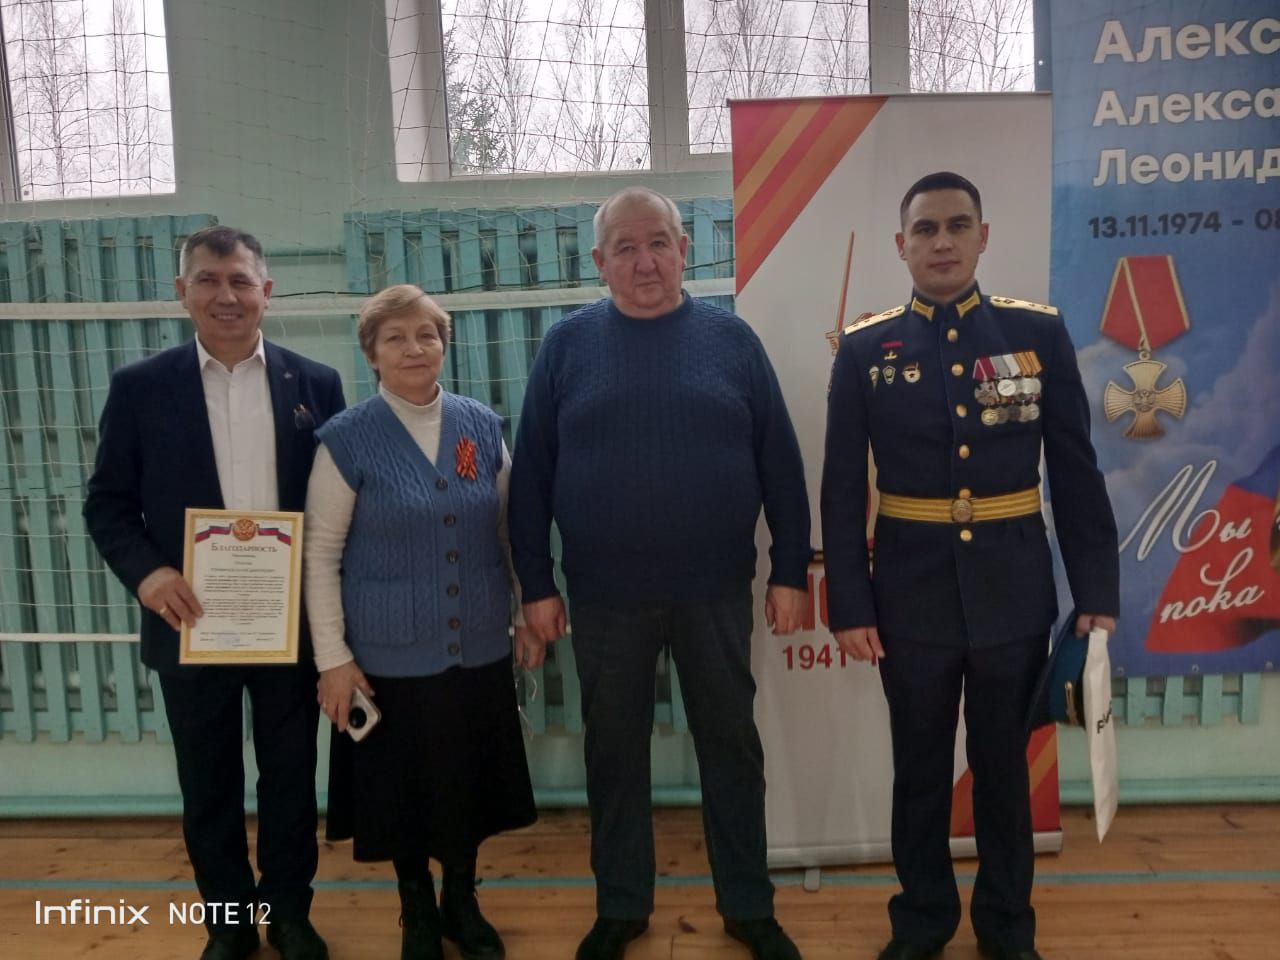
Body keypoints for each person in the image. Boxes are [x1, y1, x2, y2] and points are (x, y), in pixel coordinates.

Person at [821, 171, 1120, 960]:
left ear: (983, 236)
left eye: (958, 225)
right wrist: (850, 603)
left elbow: (1075, 471)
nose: (943, 241)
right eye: (925, 229)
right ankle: (922, 921)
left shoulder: (1037, 334)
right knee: (920, 772)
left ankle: (1007, 927)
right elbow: (842, 487)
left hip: (1012, 594)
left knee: (1004, 774)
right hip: (909, 598)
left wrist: (1096, 591)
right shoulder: (865, 349)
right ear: (902, 245)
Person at [509, 186, 812, 960]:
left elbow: (780, 462)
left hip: (716, 592)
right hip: (604, 599)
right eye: (626, 247)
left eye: (658, 243)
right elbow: (532, 476)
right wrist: (536, 585)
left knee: (731, 751)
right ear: (599, 261)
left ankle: (748, 906)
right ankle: (621, 906)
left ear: (684, 249)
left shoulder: (732, 342)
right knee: (614, 753)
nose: (644, 261)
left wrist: (790, 570)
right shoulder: (566, 347)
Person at [85, 226, 344, 960]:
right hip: (190, 623)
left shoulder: (316, 383)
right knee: (208, 786)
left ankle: (289, 915)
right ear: (182, 292)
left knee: (291, 780)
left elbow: (335, 503)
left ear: (267, 290)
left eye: (239, 280)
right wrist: (148, 573)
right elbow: (107, 504)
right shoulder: (140, 387)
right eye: (207, 280)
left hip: (287, 623)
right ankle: (229, 924)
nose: (225, 295)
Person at [305, 284, 537, 960]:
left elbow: (509, 529)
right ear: (372, 353)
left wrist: (525, 610)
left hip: (477, 648)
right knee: (402, 795)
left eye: (426, 335)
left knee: (469, 787)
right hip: (388, 658)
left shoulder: (480, 426)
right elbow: (319, 556)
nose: (414, 348)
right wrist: (333, 659)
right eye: (396, 338)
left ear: (444, 344)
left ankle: (461, 900)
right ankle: (417, 910)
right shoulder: (346, 439)